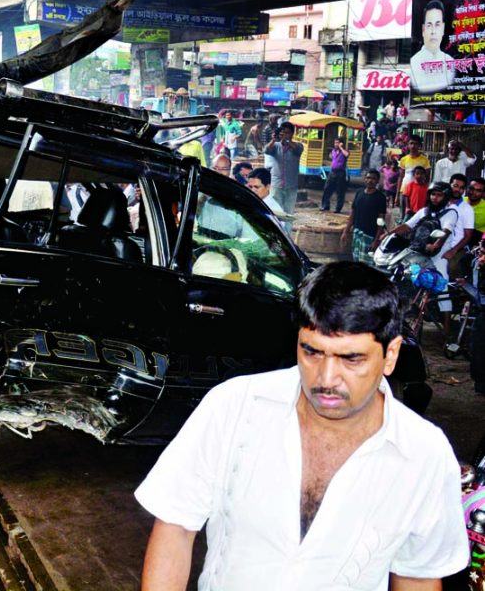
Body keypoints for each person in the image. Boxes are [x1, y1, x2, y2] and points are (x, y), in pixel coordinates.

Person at [136, 261, 469, 590]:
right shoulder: (234, 407)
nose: (325, 379)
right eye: (312, 352)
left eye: (351, 359)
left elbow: (416, 576)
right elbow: (175, 528)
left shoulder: (425, 454)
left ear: (391, 355)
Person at [391, 181, 460, 335]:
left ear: (446, 197)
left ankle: (447, 334)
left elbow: (446, 231)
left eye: (439, 195)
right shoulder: (424, 211)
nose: (435, 198)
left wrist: (436, 245)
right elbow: (407, 226)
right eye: (433, 194)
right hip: (419, 254)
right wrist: (388, 235)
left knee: (443, 289)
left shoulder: (451, 213)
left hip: (438, 257)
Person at [341, 169, 387, 265]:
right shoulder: (359, 192)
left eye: (373, 179)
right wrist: (345, 231)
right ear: (365, 179)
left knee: (366, 265)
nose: (370, 180)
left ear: (377, 181)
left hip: (369, 236)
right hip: (357, 234)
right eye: (368, 178)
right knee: (356, 261)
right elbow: (353, 214)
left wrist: (376, 240)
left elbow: (381, 221)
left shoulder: (380, 197)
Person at [410, 0, 455, 93]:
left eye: (437, 25)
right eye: (429, 25)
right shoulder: (414, 63)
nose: (433, 31)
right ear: (423, 29)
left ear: (442, 29)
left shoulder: (450, 62)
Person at [263, 121, 303, 218]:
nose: (285, 135)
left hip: (291, 185)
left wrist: (287, 141)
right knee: (275, 213)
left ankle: (287, 233)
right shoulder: (276, 146)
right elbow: (266, 150)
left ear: (292, 134)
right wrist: (273, 140)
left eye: (287, 133)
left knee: (288, 214)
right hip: (276, 185)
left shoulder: (298, 146)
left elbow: (297, 150)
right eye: (283, 132)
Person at [397, 134, 431, 204]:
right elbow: (401, 177)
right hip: (404, 191)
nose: (413, 146)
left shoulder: (425, 160)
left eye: (416, 144)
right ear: (408, 145)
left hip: (417, 192)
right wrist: (397, 195)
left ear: (419, 146)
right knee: (403, 214)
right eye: (411, 143)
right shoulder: (404, 159)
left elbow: (427, 178)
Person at [320, 136, 349, 213]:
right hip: (332, 172)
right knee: (327, 188)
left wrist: (341, 148)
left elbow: (346, 155)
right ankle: (325, 205)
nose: (336, 144)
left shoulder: (344, 151)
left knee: (340, 191)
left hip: (340, 173)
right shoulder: (333, 151)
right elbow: (331, 156)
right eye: (335, 142)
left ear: (341, 143)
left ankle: (338, 208)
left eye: (337, 142)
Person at [466, 176, 485, 242]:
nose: (473, 192)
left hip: (477, 242)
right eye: (472, 188)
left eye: (478, 190)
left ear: (483, 193)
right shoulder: (459, 202)